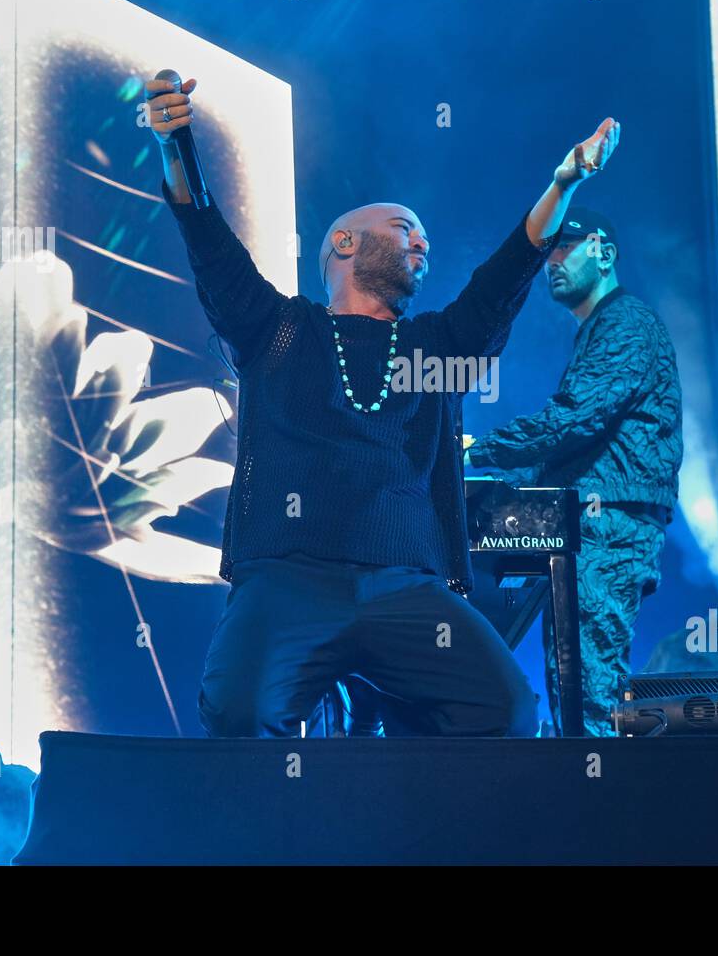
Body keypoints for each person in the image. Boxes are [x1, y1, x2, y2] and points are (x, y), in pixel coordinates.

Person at [146, 74, 621, 737]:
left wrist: (564, 182)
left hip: (406, 587)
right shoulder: (280, 331)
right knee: (240, 711)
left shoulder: (432, 347)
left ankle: (418, 835)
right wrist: (176, 145)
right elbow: (210, 245)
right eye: (405, 228)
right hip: (290, 580)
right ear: (346, 243)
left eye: (425, 237)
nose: (422, 242)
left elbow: (501, 281)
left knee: (507, 708)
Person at [465, 208, 681, 736]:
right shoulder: (599, 330)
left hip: (608, 524)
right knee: (574, 685)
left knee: (589, 692)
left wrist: (476, 453)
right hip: (587, 524)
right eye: (549, 252)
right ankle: (589, 794)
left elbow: (574, 418)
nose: (552, 261)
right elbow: (571, 438)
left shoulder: (626, 322)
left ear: (604, 252)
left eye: (567, 246)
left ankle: (602, 804)